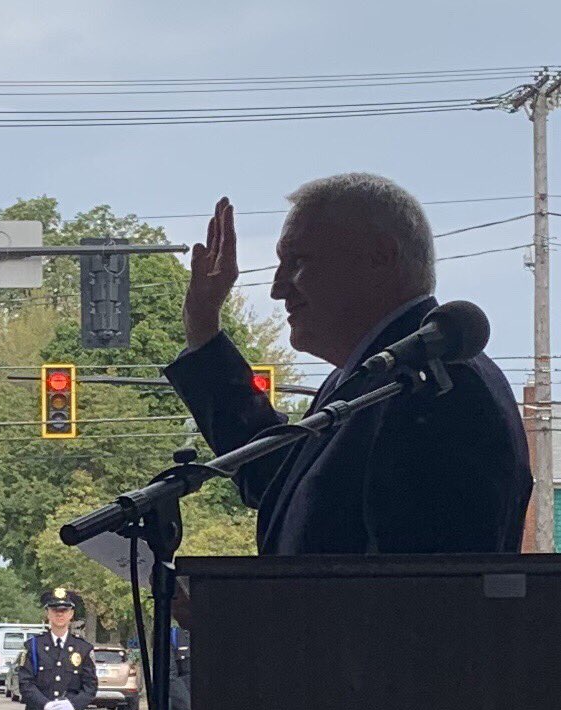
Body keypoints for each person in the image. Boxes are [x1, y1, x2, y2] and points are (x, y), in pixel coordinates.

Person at [167, 175, 531, 555]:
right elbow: (278, 479)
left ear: (380, 257)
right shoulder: (371, 379)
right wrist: (203, 326)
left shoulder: (442, 386)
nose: (277, 288)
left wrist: (252, 613)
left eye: (296, 261)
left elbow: (425, 596)